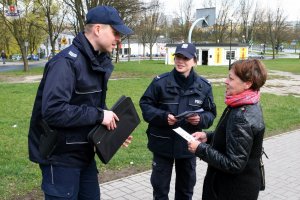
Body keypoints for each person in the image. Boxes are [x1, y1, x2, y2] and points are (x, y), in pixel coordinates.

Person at [28, 5, 133, 200]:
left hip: (85, 155)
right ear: (98, 29)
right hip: (60, 159)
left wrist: (113, 131)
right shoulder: (65, 63)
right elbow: (53, 111)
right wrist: (100, 116)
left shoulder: (97, 62)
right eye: (116, 32)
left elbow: (90, 104)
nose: (119, 39)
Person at [140, 43, 216, 200]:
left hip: (188, 146)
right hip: (162, 144)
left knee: (185, 190)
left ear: (194, 61)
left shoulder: (204, 86)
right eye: (178, 57)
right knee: (160, 190)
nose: (180, 61)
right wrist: (163, 117)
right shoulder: (159, 82)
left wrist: (200, 119)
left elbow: (211, 114)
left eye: (186, 58)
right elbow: (145, 106)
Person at [188, 59, 268, 200]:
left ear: (247, 84)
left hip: (231, 191)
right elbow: (235, 138)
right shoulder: (248, 102)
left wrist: (200, 149)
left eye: (231, 78)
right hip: (236, 186)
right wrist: (208, 137)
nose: (226, 81)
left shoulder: (241, 115)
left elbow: (234, 163)